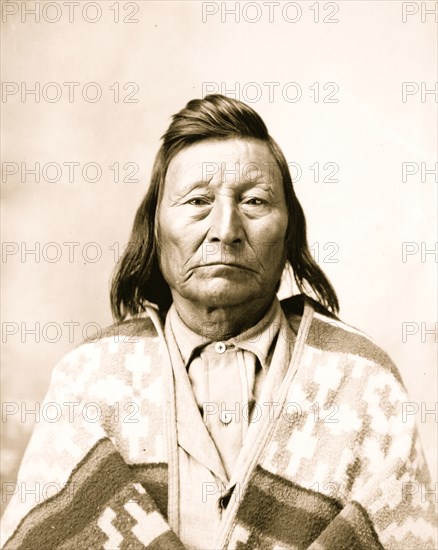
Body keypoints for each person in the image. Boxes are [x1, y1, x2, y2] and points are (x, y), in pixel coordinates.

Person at [1, 95, 436, 549]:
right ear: (154, 229)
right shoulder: (90, 379)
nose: (225, 229)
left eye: (254, 201)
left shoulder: (363, 385)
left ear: (289, 233)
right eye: (197, 201)